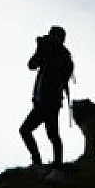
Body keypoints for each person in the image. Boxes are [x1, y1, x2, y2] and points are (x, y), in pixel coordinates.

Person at [19, 25, 74, 169]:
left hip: (50, 101)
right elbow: (31, 65)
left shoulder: (61, 55)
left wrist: (43, 49)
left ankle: (55, 165)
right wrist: (40, 50)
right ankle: (43, 162)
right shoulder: (50, 51)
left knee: (51, 134)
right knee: (29, 131)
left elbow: (61, 74)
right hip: (42, 101)